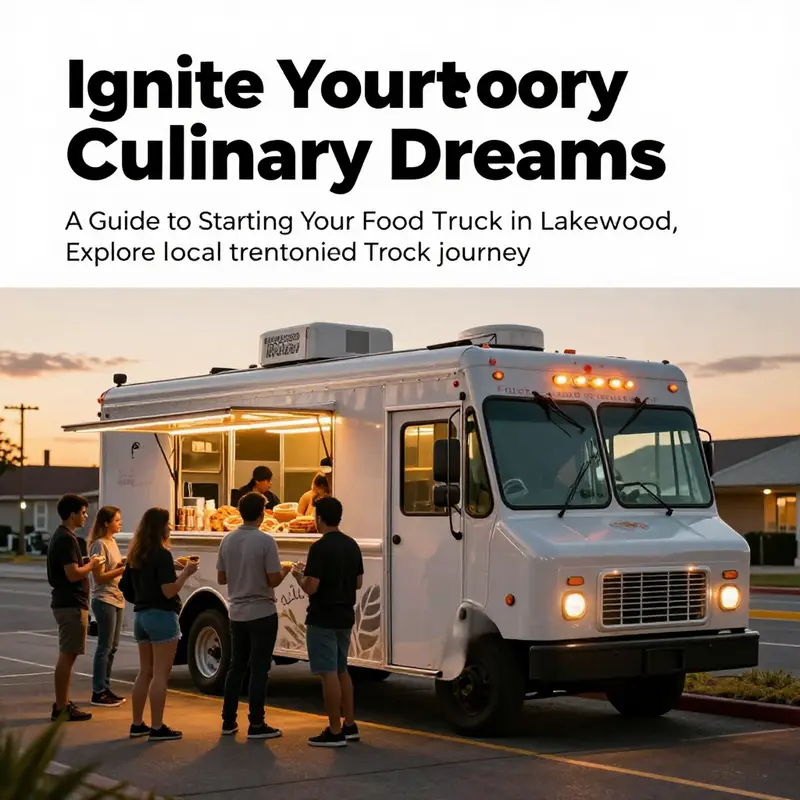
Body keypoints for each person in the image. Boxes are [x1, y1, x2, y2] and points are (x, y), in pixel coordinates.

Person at [216, 492, 292, 739]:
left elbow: (221, 578)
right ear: (261, 515)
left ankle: (228, 721)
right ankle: (256, 723)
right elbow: (273, 579)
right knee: (259, 669)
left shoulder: (227, 540)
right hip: (262, 612)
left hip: (236, 613)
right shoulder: (266, 541)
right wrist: (286, 570)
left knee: (236, 666)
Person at [120, 507, 198, 742]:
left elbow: (125, 586)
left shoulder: (136, 554)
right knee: (161, 674)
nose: (170, 528)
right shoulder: (162, 554)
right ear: (160, 527)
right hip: (162, 616)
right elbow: (169, 591)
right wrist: (186, 573)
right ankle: (157, 726)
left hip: (141, 617)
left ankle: (137, 724)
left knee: (145, 672)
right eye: (168, 524)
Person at [292, 496, 363, 748]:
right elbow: (358, 583)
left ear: (319, 518)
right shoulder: (352, 545)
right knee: (342, 670)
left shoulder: (319, 548)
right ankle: (350, 725)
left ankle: (334, 731)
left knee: (328, 673)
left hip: (322, 617)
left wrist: (298, 576)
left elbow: (312, 587)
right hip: (345, 615)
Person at [46, 493, 101, 722]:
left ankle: (63, 703)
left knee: (69, 655)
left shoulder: (63, 537)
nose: (86, 517)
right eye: (83, 513)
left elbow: (71, 568)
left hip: (68, 602)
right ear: (72, 515)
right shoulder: (66, 539)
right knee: (67, 655)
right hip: (70, 603)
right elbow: (72, 574)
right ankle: (61, 707)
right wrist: (92, 564)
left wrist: (84, 563)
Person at [87, 506, 127, 708]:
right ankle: (98, 691)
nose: (120, 523)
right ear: (106, 523)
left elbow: (112, 569)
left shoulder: (112, 542)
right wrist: (122, 569)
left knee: (113, 647)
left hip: (118, 597)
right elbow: (99, 577)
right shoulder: (99, 545)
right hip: (104, 599)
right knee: (105, 646)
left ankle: (106, 686)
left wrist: (121, 565)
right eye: (117, 520)